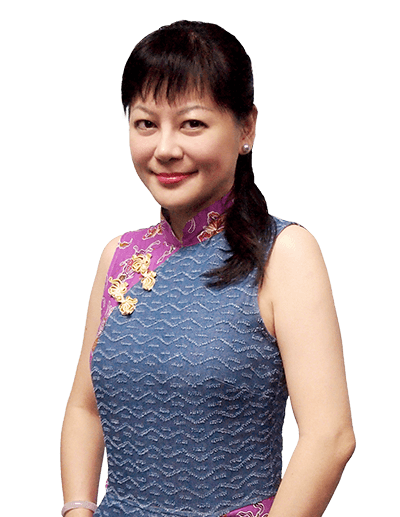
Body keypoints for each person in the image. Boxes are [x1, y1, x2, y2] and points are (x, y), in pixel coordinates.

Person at [60, 20, 355, 517]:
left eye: (192, 123)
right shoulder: (119, 256)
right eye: (145, 123)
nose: (165, 148)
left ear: (247, 128)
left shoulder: (285, 253)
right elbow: (84, 409)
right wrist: (77, 509)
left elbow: (330, 437)